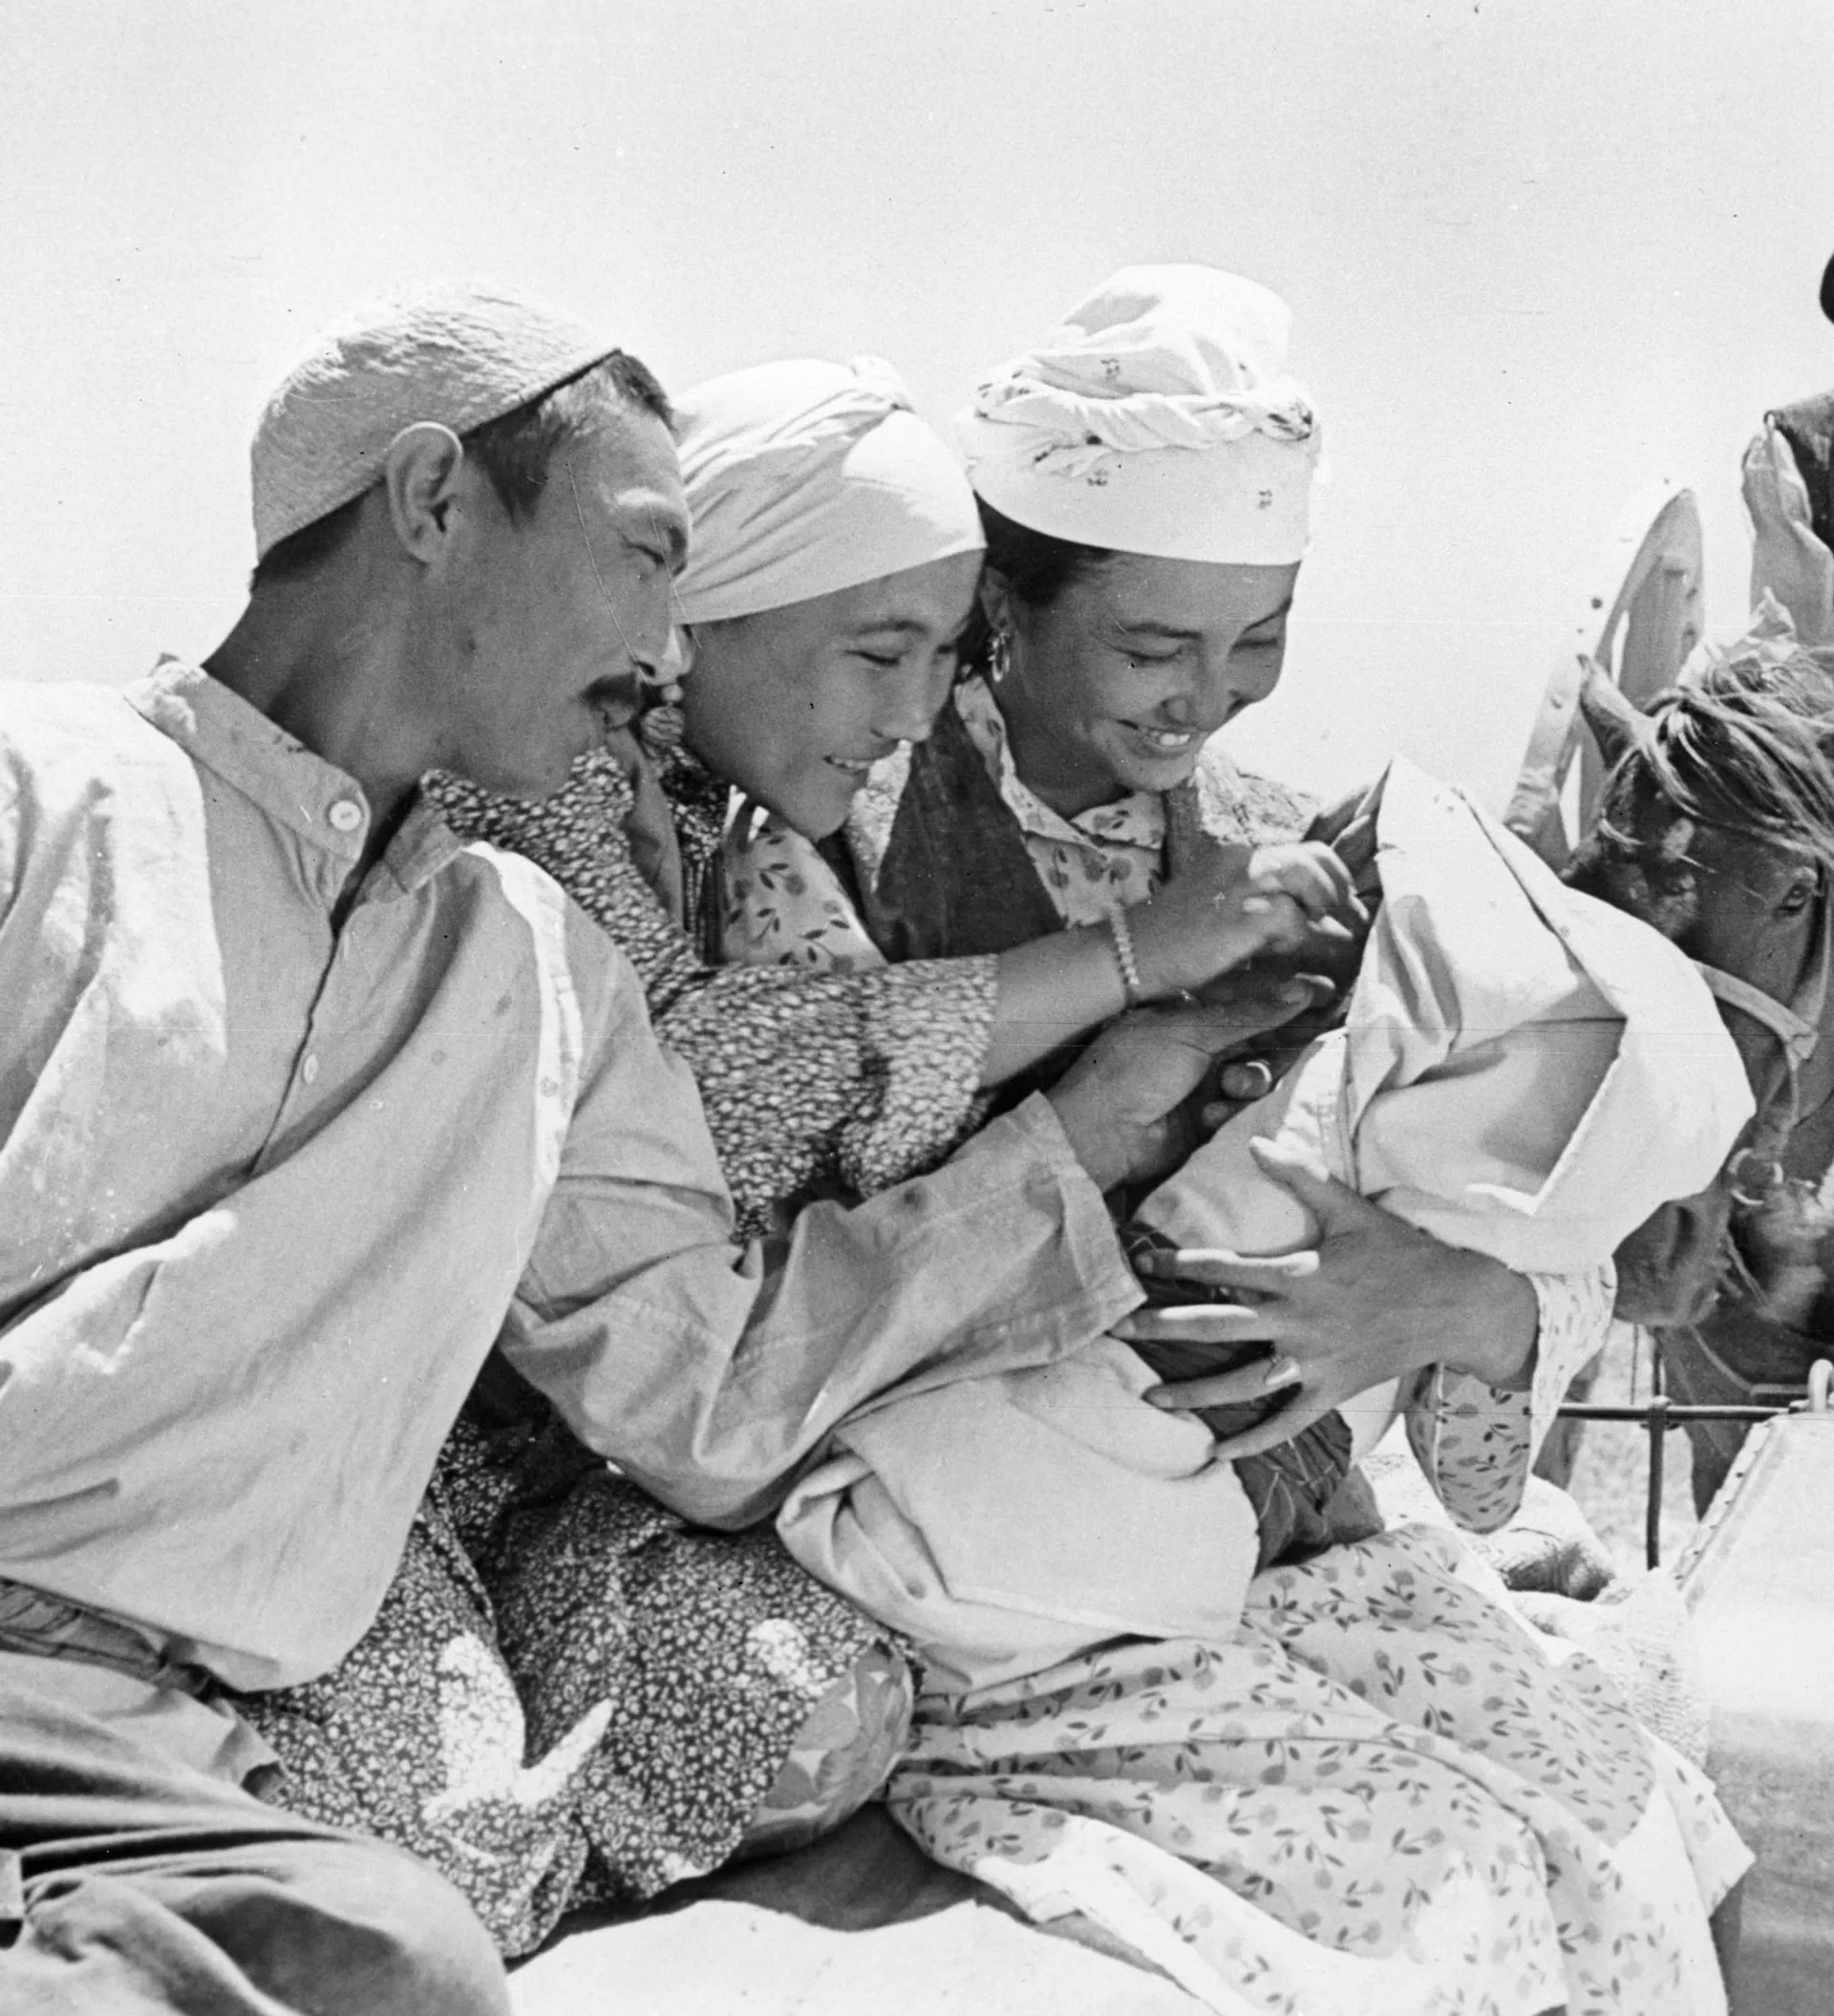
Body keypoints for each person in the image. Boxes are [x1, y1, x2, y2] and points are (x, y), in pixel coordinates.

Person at [0, 282, 1292, 2011]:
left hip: (150, 1734)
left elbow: (702, 1392)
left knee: (410, 1948)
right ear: (435, 500)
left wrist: (1083, 1132)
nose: (669, 645)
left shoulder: (529, 962)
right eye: (644, 555)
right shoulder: (45, 794)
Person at [713, 268, 1749, 2014]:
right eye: (1153, 645)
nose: (1207, 702)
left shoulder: (1297, 854)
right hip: (1009, 1588)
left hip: (1289, 1535)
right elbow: (774, 1295)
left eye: (1257, 639)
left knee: (1628, 1824)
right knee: (1447, 1900)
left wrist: (1456, 1305)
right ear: (1004, 604)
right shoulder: (826, 842)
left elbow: (1511, 1242)